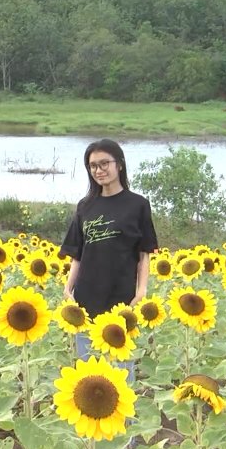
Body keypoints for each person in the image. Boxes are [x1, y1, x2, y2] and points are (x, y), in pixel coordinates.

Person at [60, 139, 158, 381]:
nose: (98, 170)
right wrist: (68, 288)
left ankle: (126, 421)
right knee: (89, 376)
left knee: (123, 376)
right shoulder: (85, 206)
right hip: (86, 298)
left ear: (120, 165)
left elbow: (144, 253)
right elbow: (78, 255)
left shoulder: (138, 204)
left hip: (122, 299)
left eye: (104, 163)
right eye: (93, 166)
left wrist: (142, 290)